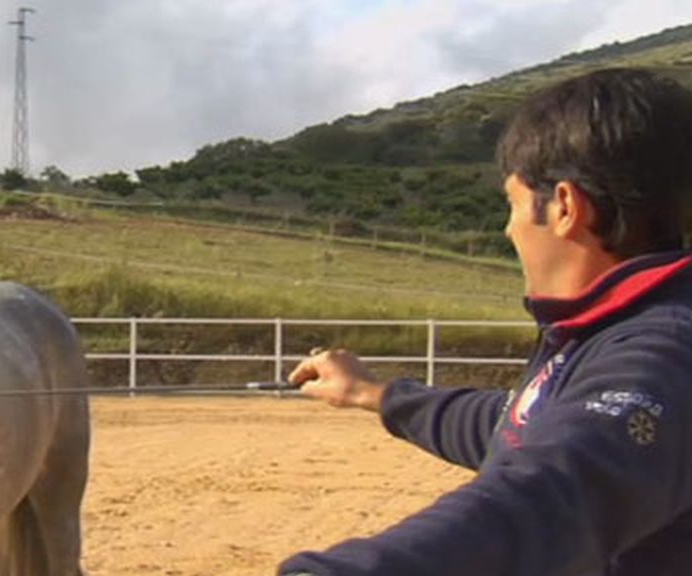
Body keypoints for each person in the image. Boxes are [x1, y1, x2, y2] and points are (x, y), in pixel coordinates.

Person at [278, 68, 692, 576]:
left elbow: (554, 490)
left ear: (565, 206)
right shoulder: (620, 326)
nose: (508, 227)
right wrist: (373, 393)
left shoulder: (663, 348)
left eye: (513, 204)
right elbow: (521, 424)